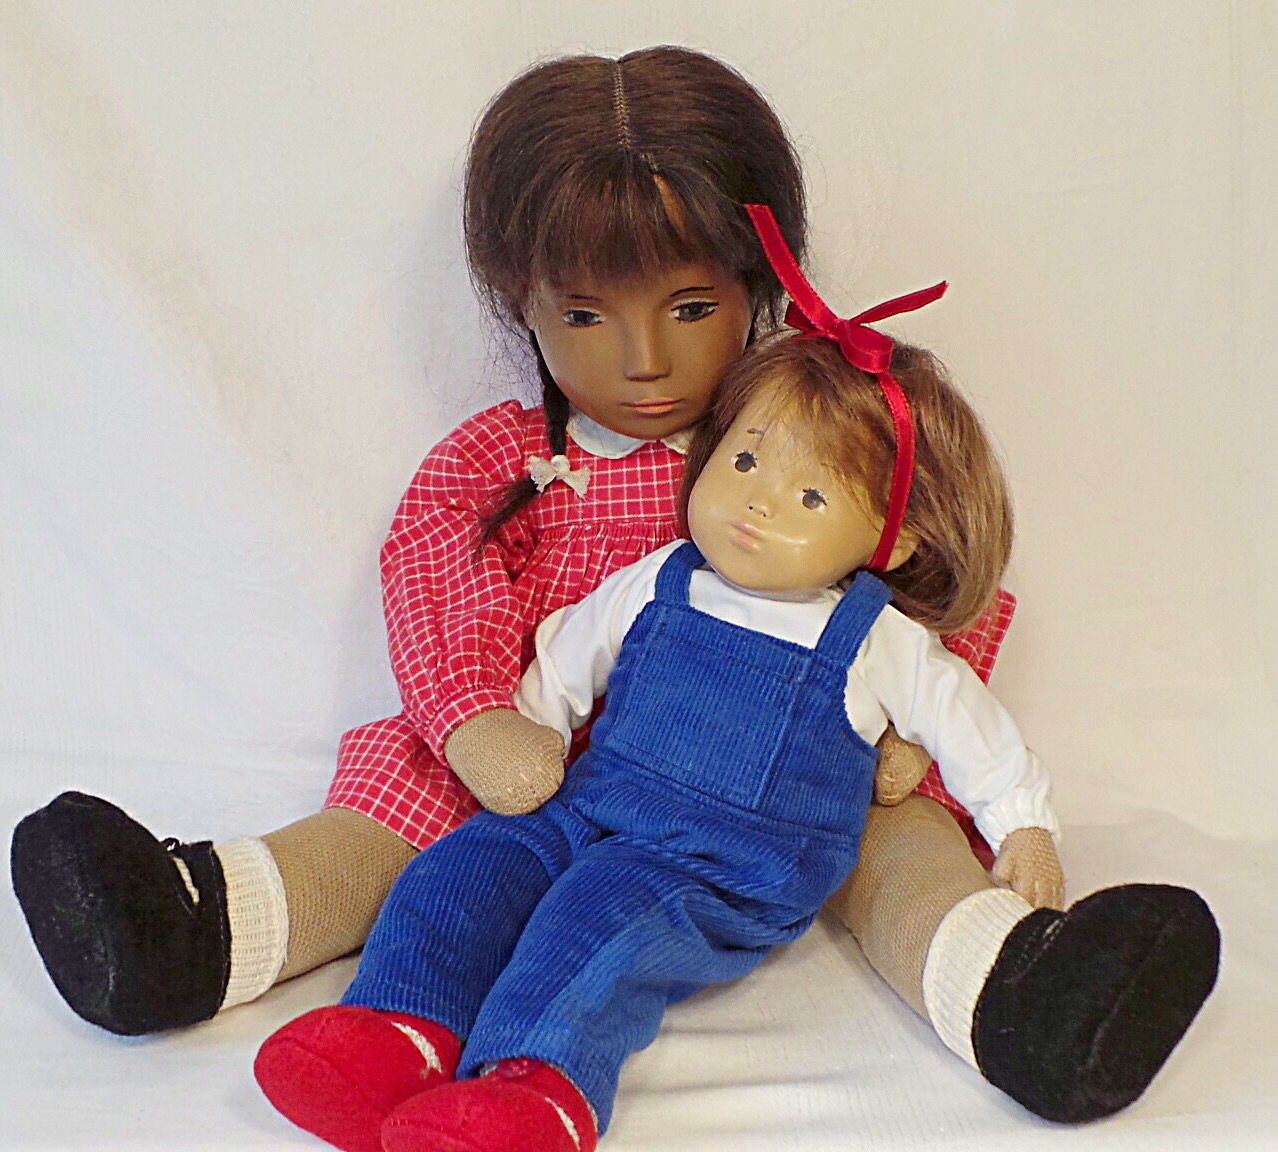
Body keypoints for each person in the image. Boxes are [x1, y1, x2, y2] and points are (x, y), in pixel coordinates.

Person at [9, 49, 1216, 1132]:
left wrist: (917, 744)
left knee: (896, 847)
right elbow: (436, 574)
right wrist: (476, 720)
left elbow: (945, 586)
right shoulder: (506, 463)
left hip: (770, 793)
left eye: (691, 308)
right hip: (537, 761)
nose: (644, 359)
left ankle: (1022, 994)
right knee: (410, 828)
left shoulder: (807, 432)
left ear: (760, 286)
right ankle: (197, 931)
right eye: (585, 314)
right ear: (520, 307)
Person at [252, 226, 1215, 1152]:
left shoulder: (871, 637)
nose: (756, 502)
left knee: (597, 922)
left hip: (727, 865)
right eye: (746, 460)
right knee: (470, 865)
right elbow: (567, 658)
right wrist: (532, 733)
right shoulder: (664, 575)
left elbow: (973, 733)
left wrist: (1024, 828)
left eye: (810, 496)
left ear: (892, 541)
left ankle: (535, 1088)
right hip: (594, 808)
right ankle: (397, 1028)